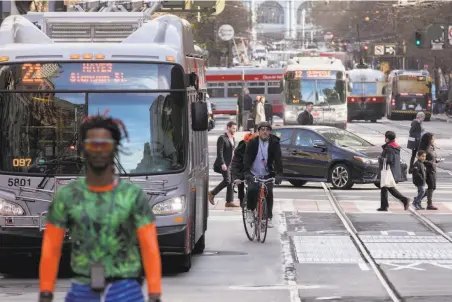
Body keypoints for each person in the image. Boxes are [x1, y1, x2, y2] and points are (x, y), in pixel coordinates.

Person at [39, 113, 162, 302]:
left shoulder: (133, 195)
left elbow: (149, 246)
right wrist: (46, 291)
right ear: (83, 149)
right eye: (91, 144)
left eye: (104, 145)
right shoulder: (67, 196)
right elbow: (51, 247)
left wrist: (154, 291)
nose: (98, 150)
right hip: (82, 288)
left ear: (114, 149)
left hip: (125, 289)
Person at [243, 121, 283, 228]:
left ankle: (268, 217)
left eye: (267, 130)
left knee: (269, 192)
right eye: (262, 129)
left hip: (267, 174)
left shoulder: (274, 143)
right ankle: (250, 210)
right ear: (258, 131)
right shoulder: (252, 142)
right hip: (253, 173)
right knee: (252, 190)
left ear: (270, 131)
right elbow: (246, 159)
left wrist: (279, 174)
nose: (265, 132)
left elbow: (279, 160)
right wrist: (247, 173)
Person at [208, 121, 239, 207]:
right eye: (233, 128)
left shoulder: (233, 138)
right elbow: (219, 152)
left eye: (236, 128)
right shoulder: (222, 138)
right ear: (228, 127)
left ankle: (229, 202)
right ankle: (212, 193)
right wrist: (222, 163)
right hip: (223, 164)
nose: (235, 130)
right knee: (227, 180)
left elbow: (232, 152)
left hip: (230, 164)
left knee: (231, 181)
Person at [377, 131, 410, 212]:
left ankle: (404, 199)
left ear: (387, 138)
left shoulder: (389, 147)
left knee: (389, 188)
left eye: (385, 137)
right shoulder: (395, 146)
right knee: (384, 187)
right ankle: (384, 206)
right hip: (394, 170)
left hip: (388, 171)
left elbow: (389, 160)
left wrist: (380, 159)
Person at [230, 132, 257, 206]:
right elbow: (235, 164)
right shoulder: (239, 150)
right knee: (240, 186)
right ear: (245, 142)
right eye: (248, 143)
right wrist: (236, 178)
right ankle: (242, 203)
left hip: (255, 170)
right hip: (242, 170)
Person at [419, 132, 440, 210]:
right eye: (432, 139)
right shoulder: (423, 149)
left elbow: (433, 156)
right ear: (428, 140)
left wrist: (436, 160)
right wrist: (430, 162)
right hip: (427, 170)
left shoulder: (431, 147)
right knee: (431, 186)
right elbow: (421, 160)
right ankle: (429, 204)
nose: (433, 140)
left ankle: (418, 198)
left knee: (433, 187)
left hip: (433, 169)